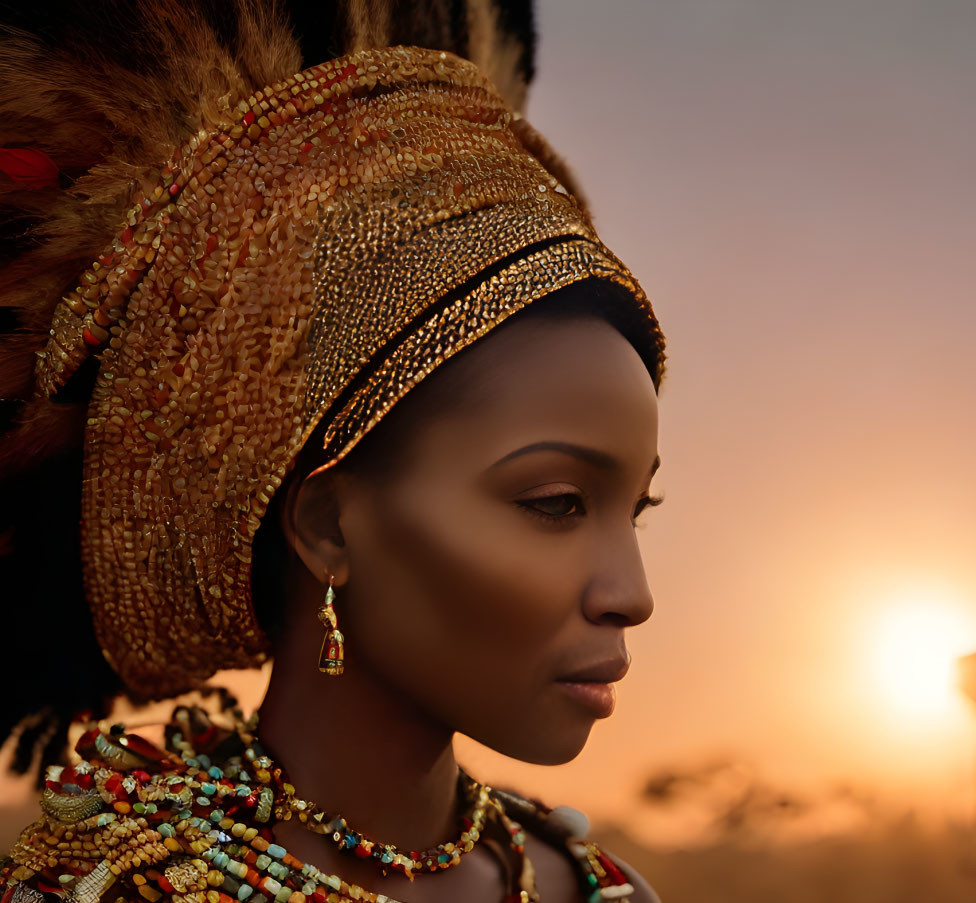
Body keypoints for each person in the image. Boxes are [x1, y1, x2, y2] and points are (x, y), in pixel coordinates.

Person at [0, 2, 668, 901]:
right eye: (554, 503)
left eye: (636, 510)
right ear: (328, 526)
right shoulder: (108, 890)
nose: (631, 595)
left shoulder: (598, 889)